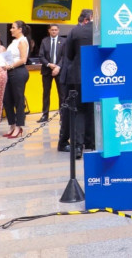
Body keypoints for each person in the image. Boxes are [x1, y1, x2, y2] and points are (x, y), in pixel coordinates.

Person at [60, 9, 95, 158]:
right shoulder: (102, 31)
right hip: (99, 76)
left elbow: (69, 55)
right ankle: (92, 143)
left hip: (79, 76)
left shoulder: (75, 31)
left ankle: (78, 147)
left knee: (80, 110)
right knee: (93, 109)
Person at [2, 20, 31, 139]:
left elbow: (23, 59)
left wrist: (11, 66)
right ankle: (12, 125)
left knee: (18, 100)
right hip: (10, 72)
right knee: (7, 99)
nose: (11, 29)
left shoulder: (22, 41)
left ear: (20, 29)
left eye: (13, 27)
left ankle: (19, 126)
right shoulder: (14, 41)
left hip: (18, 72)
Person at [36, 24, 65, 123]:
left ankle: (62, 116)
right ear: (49, 31)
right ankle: (45, 115)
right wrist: (49, 64)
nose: (54, 31)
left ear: (58, 30)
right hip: (47, 70)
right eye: (52, 30)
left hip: (59, 71)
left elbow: (65, 56)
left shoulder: (63, 41)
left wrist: (58, 66)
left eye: (56, 30)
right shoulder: (44, 41)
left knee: (62, 94)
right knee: (46, 93)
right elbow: (41, 56)